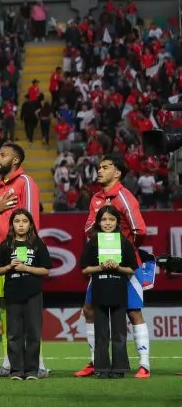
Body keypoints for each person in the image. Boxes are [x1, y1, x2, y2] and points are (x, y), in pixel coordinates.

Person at [76, 155, 151, 379]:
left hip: (125, 266)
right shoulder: (96, 198)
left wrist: (124, 251)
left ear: (117, 173)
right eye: (99, 167)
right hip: (101, 266)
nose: (99, 170)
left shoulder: (125, 196)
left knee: (133, 311)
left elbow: (140, 230)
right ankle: (94, 361)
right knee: (89, 309)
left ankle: (144, 365)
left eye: (105, 167)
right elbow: (89, 228)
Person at [0, 143, 46, 378]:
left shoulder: (25, 182)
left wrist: (26, 254)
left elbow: (30, 220)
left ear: (15, 161)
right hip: (0, 255)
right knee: (5, 310)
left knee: (28, 311)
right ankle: (9, 363)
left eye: (3, 155)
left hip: (21, 254)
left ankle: (37, 364)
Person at [81, 205, 139, 379]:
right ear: (98, 222)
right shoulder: (93, 241)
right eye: (104, 219)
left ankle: (119, 369)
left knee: (119, 333)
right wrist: (100, 267)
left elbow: (132, 269)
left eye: (111, 219)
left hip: (119, 292)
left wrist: (118, 267)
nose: (107, 223)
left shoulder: (123, 242)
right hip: (100, 292)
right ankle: (102, 368)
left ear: (117, 222)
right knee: (102, 333)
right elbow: (84, 269)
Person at [0, 209, 51, 380]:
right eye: (17, 221)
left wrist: (26, 268)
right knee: (14, 334)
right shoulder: (5, 245)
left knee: (33, 332)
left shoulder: (38, 244)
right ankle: (16, 370)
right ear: (11, 224)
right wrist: (10, 266)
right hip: (12, 294)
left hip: (33, 294)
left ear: (30, 224)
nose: (20, 224)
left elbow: (46, 270)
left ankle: (32, 370)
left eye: (24, 221)